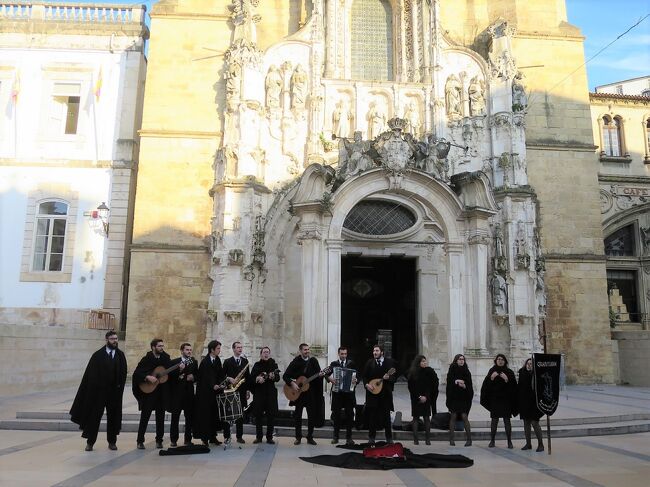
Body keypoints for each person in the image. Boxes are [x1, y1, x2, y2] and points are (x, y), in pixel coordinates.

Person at [70, 330, 127, 451]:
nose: (115, 341)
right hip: (99, 394)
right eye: (112, 339)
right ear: (106, 340)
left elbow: (123, 373)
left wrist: (119, 388)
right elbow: (90, 376)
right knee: (94, 417)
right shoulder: (97, 355)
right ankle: (90, 442)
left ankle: (112, 442)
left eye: (116, 339)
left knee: (113, 417)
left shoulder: (120, 355)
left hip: (114, 394)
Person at [132, 338, 175, 449]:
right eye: (159, 346)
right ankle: (140, 441)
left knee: (160, 417)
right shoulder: (146, 359)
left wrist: (179, 369)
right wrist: (147, 377)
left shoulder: (166, 358)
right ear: (153, 347)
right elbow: (137, 373)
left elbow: (169, 371)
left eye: (162, 346)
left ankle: (159, 440)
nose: (162, 348)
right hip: (149, 392)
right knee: (145, 417)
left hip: (161, 393)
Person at [283, 343, 325, 445]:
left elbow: (318, 375)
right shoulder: (296, 362)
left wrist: (320, 375)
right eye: (305, 350)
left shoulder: (313, 361)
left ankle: (310, 437)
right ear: (300, 351)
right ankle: (298, 437)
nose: (307, 351)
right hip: (299, 393)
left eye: (308, 349)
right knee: (298, 416)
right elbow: (285, 376)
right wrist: (292, 383)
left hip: (310, 394)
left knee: (311, 416)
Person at [480, 353, 518, 448]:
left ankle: (509, 441)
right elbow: (486, 387)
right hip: (495, 400)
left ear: (505, 361)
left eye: (502, 359)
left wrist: (506, 380)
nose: (500, 361)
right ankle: (492, 440)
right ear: (496, 361)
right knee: (494, 420)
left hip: (506, 400)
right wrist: (491, 378)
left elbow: (514, 387)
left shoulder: (509, 372)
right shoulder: (492, 371)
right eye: (498, 359)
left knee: (507, 420)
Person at [363, 345, 397, 445]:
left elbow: (394, 377)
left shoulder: (390, 362)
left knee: (386, 417)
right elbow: (364, 376)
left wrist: (388, 378)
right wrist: (367, 385)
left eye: (377, 351)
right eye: (374, 351)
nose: (375, 352)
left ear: (382, 352)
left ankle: (389, 438)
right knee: (372, 417)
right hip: (372, 393)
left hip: (385, 394)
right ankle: (371, 438)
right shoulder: (370, 362)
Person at [193, 340, 226, 446]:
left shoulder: (217, 360)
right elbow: (204, 378)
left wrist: (221, 383)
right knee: (205, 416)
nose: (219, 350)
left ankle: (212, 437)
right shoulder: (205, 362)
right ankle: (205, 438)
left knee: (214, 415)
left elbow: (220, 374)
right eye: (218, 348)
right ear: (212, 350)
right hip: (205, 395)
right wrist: (212, 385)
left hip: (215, 394)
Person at [326, 346, 358, 445]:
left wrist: (356, 380)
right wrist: (330, 379)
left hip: (349, 394)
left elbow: (358, 376)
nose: (344, 356)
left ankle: (349, 437)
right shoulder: (334, 364)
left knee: (350, 415)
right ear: (338, 354)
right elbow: (325, 373)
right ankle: (336, 437)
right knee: (336, 415)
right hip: (337, 394)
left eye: (345, 354)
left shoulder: (351, 363)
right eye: (342, 354)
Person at [250, 346, 281, 444]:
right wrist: (257, 379)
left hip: (270, 394)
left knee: (271, 416)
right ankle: (259, 437)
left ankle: (269, 437)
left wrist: (273, 376)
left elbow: (278, 378)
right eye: (264, 352)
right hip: (259, 394)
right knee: (258, 416)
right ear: (261, 354)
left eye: (268, 352)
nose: (266, 354)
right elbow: (251, 379)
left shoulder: (273, 364)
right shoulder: (257, 365)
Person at [168, 342, 197, 447]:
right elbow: (170, 377)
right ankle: (173, 440)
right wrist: (179, 370)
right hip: (177, 394)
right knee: (175, 417)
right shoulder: (174, 362)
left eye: (190, 350)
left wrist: (193, 377)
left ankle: (188, 439)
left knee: (189, 417)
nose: (189, 351)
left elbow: (197, 375)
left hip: (189, 394)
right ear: (181, 351)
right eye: (187, 350)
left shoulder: (194, 362)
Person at [222, 341, 251, 444]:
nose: (240, 349)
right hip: (230, 391)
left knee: (240, 415)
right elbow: (222, 376)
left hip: (242, 391)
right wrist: (228, 378)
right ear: (233, 349)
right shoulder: (227, 361)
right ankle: (227, 436)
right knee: (228, 414)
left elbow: (248, 377)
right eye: (238, 347)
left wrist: (248, 390)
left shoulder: (245, 361)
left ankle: (239, 436)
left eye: (241, 347)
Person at [407, 355, 439, 445]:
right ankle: (415, 439)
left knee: (426, 418)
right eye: (422, 361)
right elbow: (411, 387)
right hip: (416, 398)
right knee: (416, 418)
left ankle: (427, 439)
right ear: (418, 363)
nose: (425, 363)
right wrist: (419, 396)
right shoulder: (413, 373)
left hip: (426, 397)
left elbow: (433, 385)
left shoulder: (429, 371)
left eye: (425, 361)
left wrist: (426, 396)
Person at [446, 354, 473, 446]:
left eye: (463, 359)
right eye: (460, 359)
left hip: (464, 398)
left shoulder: (467, 371)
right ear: (456, 360)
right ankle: (451, 439)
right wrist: (456, 381)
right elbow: (449, 382)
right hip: (454, 397)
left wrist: (464, 385)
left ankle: (469, 439)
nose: (462, 361)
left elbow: (470, 384)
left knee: (464, 416)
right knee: (453, 416)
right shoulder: (452, 369)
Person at [518, 358, 544, 452]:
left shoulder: (537, 375)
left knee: (534, 423)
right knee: (526, 423)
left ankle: (541, 444)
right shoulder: (522, 373)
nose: (529, 365)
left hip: (534, 403)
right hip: (524, 402)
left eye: (531, 364)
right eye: (528, 363)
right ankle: (528, 444)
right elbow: (519, 387)